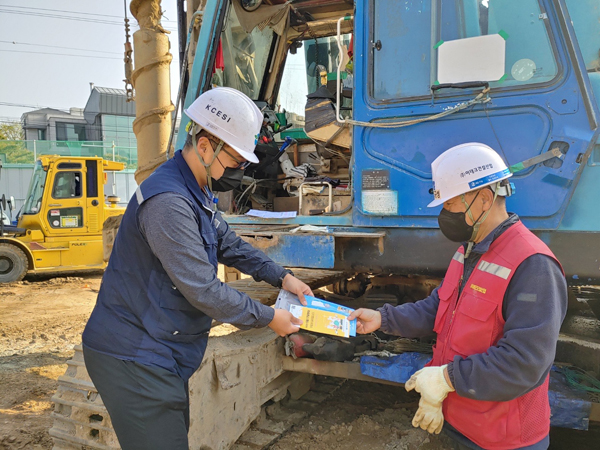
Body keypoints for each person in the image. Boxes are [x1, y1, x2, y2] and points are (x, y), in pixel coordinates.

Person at [82, 87, 313, 450]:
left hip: (160, 352)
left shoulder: (196, 189)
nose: (239, 171)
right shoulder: (169, 204)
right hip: (135, 356)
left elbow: (227, 243)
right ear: (205, 146)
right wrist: (269, 317)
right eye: (236, 161)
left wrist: (282, 276)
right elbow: (203, 289)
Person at [349, 143, 567, 450]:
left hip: (504, 437)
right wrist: (383, 318)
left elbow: (524, 363)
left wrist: (446, 379)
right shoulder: (468, 251)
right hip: (461, 422)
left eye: (449, 204)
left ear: (482, 200)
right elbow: (440, 307)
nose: (444, 214)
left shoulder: (532, 265)